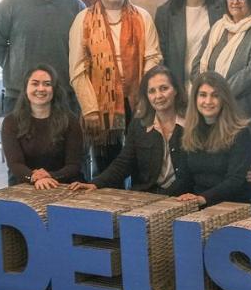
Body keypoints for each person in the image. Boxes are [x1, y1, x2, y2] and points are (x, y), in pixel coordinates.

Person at [68, 0, 163, 172]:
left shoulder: (143, 17)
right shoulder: (83, 20)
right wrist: (90, 109)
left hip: (138, 101)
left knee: (142, 164)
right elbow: (77, 69)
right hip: (100, 106)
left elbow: (153, 58)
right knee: (107, 168)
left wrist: (146, 97)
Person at [190, 0, 251, 185]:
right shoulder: (218, 27)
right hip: (215, 120)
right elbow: (197, 66)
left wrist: (217, 95)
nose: (235, 2)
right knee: (219, 178)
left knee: (246, 180)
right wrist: (205, 92)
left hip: (247, 117)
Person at [71, 65, 184, 194]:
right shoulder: (139, 125)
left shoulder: (191, 124)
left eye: (164, 88)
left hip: (182, 196)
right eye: (152, 91)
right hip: (146, 195)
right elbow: (124, 162)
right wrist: (95, 183)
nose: (158, 96)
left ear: (176, 90)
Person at [173, 72, 251, 208]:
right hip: (198, 205)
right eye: (203, 95)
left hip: (234, 206)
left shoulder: (240, 133)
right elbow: (184, 179)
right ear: (195, 99)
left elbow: (235, 180)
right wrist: (161, 199)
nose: (208, 101)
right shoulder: (189, 132)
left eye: (215, 95)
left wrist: (203, 198)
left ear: (224, 99)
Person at [1, 64, 83, 187]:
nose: (41, 89)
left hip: (62, 184)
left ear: (54, 89)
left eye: (47, 84)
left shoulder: (70, 120)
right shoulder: (11, 122)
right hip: (24, 184)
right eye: (35, 84)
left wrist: (49, 176)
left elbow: (74, 165)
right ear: (26, 88)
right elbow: (15, 164)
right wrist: (34, 177)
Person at [155, 0, 224, 93]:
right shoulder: (165, 13)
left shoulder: (223, 8)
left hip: (217, 90)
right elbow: (163, 59)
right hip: (180, 91)